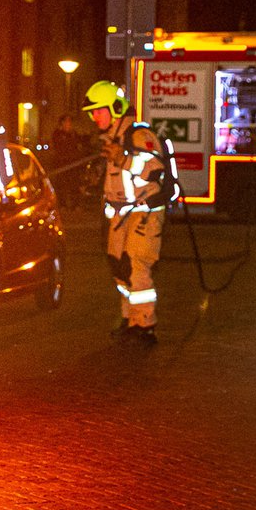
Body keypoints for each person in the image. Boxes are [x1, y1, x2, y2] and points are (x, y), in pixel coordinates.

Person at [81, 79, 173, 347]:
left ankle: (144, 324)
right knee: (119, 267)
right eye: (92, 112)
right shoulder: (112, 139)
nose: (94, 116)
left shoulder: (139, 136)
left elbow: (155, 170)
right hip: (120, 216)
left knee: (136, 266)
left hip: (144, 213)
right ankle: (130, 317)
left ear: (116, 108)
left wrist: (123, 159)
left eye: (99, 110)